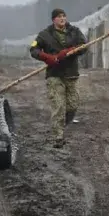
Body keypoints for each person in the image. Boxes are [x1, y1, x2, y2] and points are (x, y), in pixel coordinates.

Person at [29, 8, 88, 148]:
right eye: (59, 17)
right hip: (54, 75)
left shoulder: (74, 31)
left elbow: (84, 46)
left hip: (71, 74)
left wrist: (69, 51)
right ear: (53, 20)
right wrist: (47, 57)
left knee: (73, 105)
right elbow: (33, 49)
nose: (62, 19)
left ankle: (61, 125)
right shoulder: (45, 35)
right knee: (58, 106)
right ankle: (58, 137)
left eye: (64, 16)